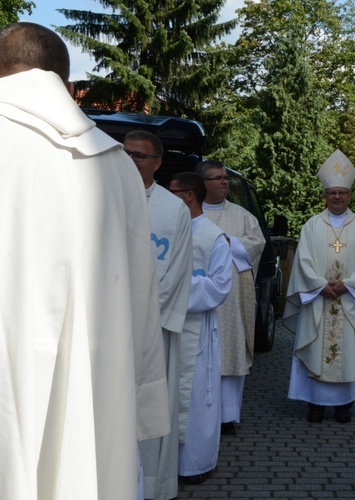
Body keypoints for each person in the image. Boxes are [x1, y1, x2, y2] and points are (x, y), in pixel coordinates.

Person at [0, 22, 168, 499]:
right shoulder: (115, 162)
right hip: (96, 383)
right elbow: (141, 293)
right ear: (63, 78)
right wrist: (144, 392)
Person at [283, 150, 355, 424]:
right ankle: (314, 405)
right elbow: (302, 260)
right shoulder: (311, 226)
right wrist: (319, 286)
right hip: (319, 300)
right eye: (332, 193)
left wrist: (346, 286)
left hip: (348, 301)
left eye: (342, 192)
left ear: (349, 195)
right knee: (315, 347)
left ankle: (344, 406)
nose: (337, 197)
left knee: (348, 351)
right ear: (325, 195)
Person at [124, 129, 193, 500]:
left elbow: (178, 269)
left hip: (154, 328)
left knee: (150, 409)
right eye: (127, 153)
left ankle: (150, 485)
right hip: (107, 328)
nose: (131, 161)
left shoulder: (173, 209)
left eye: (139, 156)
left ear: (158, 163)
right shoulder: (100, 195)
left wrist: (142, 318)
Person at [169, 172, 233, 485]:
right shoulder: (167, 228)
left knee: (195, 398)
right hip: (166, 326)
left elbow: (220, 285)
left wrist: (175, 288)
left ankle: (195, 464)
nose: (169, 197)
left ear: (189, 196)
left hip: (197, 330)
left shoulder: (213, 236)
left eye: (174, 192)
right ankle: (165, 462)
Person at [198, 159, 266, 436]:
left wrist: (231, 243)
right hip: (200, 295)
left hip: (233, 298)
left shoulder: (242, 216)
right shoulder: (190, 212)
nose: (224, 182)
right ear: (202, 183)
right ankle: (199, 415)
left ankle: (227, 417)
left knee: (230, 351)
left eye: (225, 178)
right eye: (217, 178)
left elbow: (258, 243)